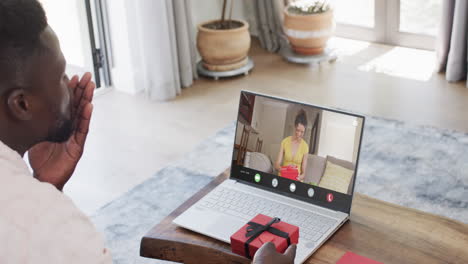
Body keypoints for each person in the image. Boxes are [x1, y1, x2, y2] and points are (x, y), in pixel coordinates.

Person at [0, 0, 296, 263]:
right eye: (60, 74)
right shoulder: (51, 229)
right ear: (22, 104)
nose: (69, 83)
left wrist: (47, 188)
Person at [275, 110, 309, 182]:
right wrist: (285, 170)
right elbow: (277, 164)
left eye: (302, 132)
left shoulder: (305, 147)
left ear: (305, 131)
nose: (299, 134)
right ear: (294, 127)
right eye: (297, 130)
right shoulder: (285, 142)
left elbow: (303, 173)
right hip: (284, 176)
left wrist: (300, 177)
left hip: (296, 180)